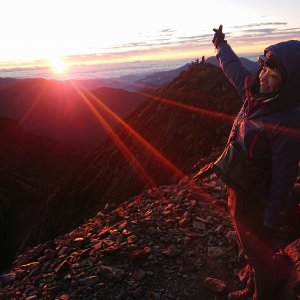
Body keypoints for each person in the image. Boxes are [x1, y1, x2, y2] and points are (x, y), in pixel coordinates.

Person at [211, 25, 300, 299]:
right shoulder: (255, 95)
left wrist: (271, 220)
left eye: (272, 76)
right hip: (240, 187)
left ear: (290, 83)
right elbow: (234, 70)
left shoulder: (286, 123)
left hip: (256, 199)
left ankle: (262, 293)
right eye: (263, 70)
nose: (263, 78)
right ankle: (255, 283)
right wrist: (220, 46)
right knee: (246, 243)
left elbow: (284, 178)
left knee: (256, 250)